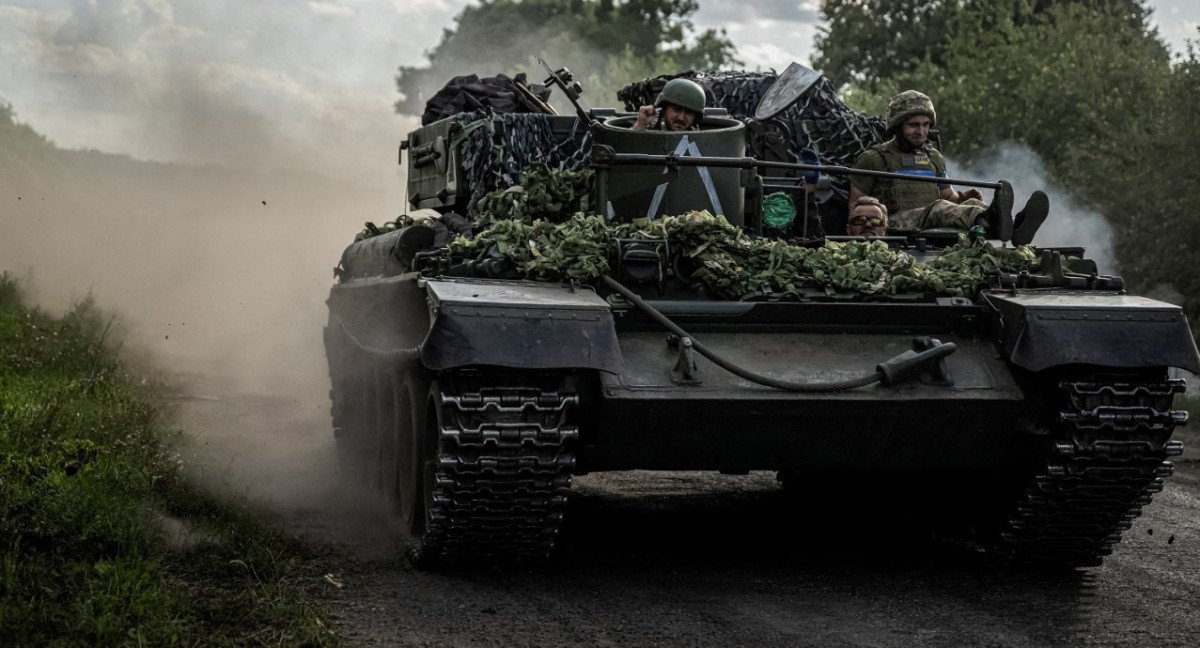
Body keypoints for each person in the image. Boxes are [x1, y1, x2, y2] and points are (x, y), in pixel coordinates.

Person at [849, 90, 1048, 245]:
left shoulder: (933, 157)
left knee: (971, 204)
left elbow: (948, 198)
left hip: (928, 218)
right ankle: (988, 220)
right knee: (938, 209)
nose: (921, 131)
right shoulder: (873, 159)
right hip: (891, 223)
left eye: (926, 125)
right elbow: (855, 207)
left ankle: (1015, 226)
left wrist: (963, 198)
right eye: (914, 125)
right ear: (897, 126)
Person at [632, 78, 706, 132]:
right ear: (665, 109)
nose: (681, 118)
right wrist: (640, 125)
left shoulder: (701, 140)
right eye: (676, 109)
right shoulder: (651, 130)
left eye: (689, 112)